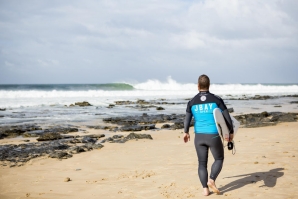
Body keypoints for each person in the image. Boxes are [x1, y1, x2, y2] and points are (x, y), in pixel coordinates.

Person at [183, 74, 234, 196]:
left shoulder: (192, 102)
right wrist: (230, 132)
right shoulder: (217, 100)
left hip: (199, 136)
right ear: (209, 85)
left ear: (198, 86)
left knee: (202, 163)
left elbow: (187, 119)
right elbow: (227, 118)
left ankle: (205, 190)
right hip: (213, 135)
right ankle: (211, 180)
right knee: (219, 158)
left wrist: (186, 132)